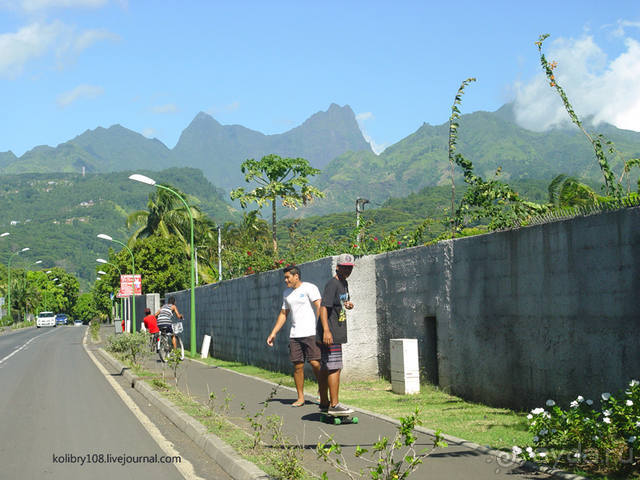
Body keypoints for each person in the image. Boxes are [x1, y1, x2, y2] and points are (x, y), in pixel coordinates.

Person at [267, 265, 322, 407]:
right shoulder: (286, 293)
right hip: (295, 335)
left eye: (287, 277)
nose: (286, 280)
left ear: (296, 276)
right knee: (298, 366)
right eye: (285, 277)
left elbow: (319, 306)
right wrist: (273, 333)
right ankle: (300, 397)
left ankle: (323, 392)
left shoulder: (310, 288)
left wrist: (321, 327)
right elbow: (283, 314)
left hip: (311, 333)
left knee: (316, 363)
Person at [317, 253, 355, 415]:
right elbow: (323, 307)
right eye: (344, 268)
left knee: (328, 367)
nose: (347, 271)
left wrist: (348, 304)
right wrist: (326, 330)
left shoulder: (343, 283)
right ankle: (334, 404)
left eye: (350, 268)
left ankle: (325, 402)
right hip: (330, 332)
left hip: (336, 330)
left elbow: (340, 302)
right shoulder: (332, 284)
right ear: (337, 267)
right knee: (334, 368)